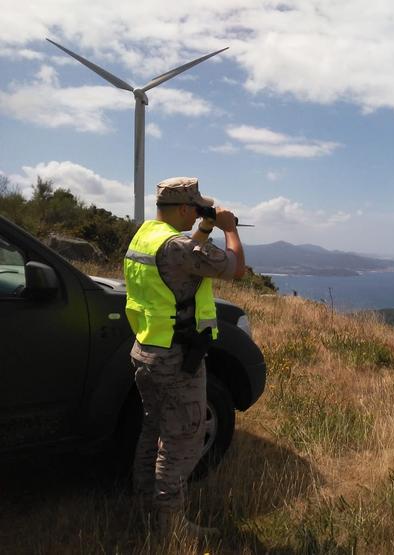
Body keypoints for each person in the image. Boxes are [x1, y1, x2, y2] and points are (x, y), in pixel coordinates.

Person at [123, 176, 245, 536]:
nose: (197, 215)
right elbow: (235, 266)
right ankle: (170, 525)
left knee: (153, 429)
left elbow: (182, 255)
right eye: (195, 209)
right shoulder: (178, 246)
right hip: (176, 359)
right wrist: (229, 229)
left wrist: (206, 226)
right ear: (182, 208)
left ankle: (143, 501)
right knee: (182, 440)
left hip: (146, 350)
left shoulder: (145, 235)